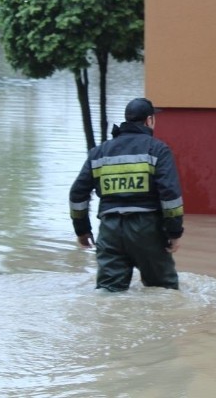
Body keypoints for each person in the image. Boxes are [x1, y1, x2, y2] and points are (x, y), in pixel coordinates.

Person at [69, 97, 185, 291]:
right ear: (149, 120)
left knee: (109, 292)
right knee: (163, 290)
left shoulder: (99, 153)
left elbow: (77, 195)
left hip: (109, 229)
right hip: (147, 228)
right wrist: (174, 232)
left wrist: (82, 230)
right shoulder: (157, 150)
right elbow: (170, 196)